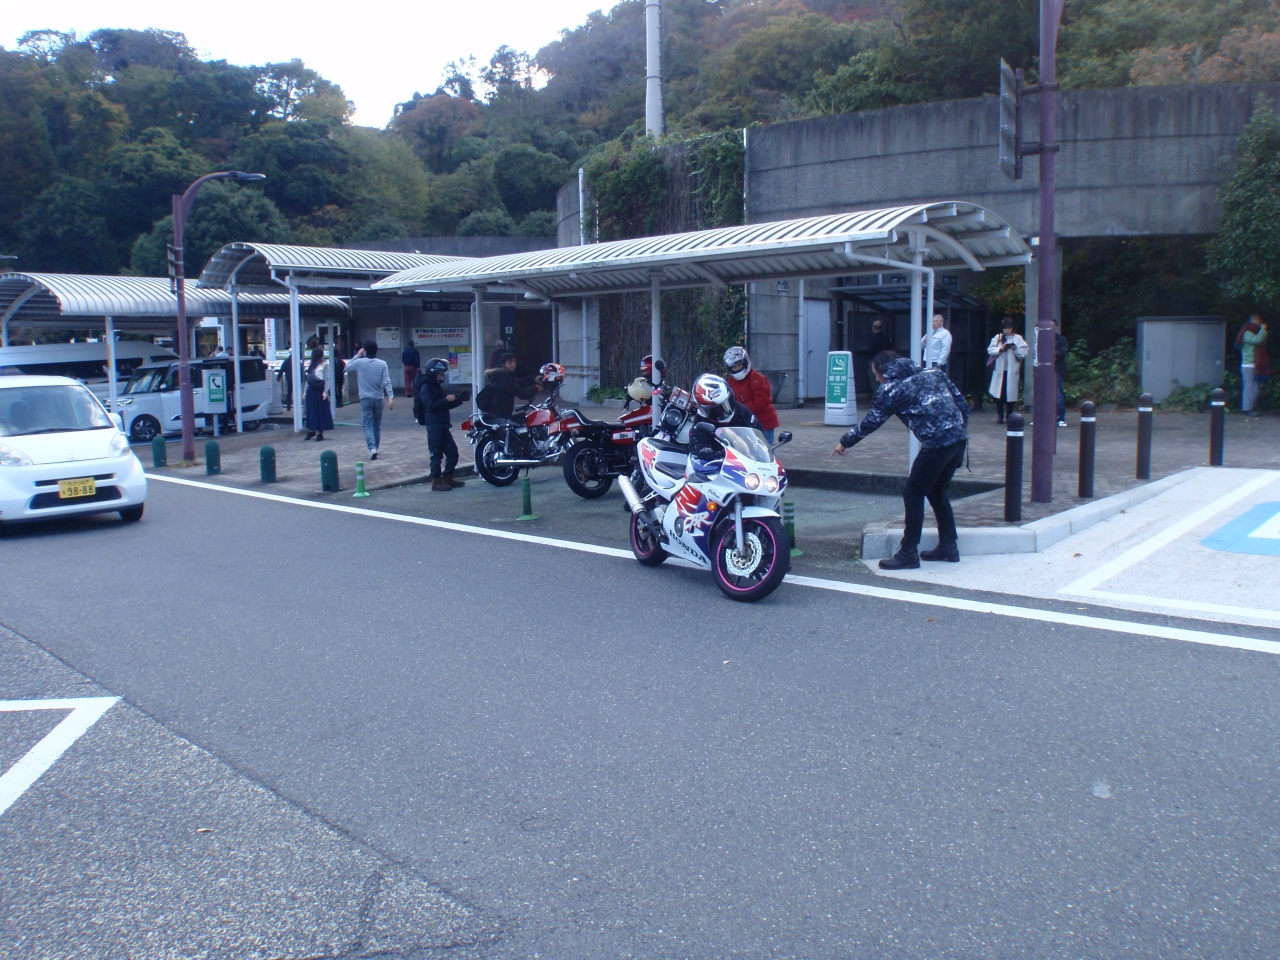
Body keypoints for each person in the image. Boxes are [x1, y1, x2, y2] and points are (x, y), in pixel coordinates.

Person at [830, 351, 970, 570]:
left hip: (936, 444)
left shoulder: (892, 389)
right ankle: (948, 546)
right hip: (958, 441)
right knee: (936, 490)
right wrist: (960, 432)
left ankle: (908, 552)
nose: (877, 379)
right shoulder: (933, 373)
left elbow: (872, 421)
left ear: (882, 371)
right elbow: (962, 404)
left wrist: (844, 442)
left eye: (876, 374)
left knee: (913, 492)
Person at [416, 358, 466, 491]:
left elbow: (443, 405)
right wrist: (446, 400)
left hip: (443, 424)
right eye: (440, 374)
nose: (442, 377)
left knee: (453, 452)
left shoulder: (435, 385)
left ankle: (448, 477)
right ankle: (436, 480)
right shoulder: (426, 387)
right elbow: (431, 405)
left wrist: (459, 399)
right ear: (433, 373)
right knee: (436, 454)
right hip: (434, 425)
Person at [344, 340, 395, 459]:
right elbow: (387, 381)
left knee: (367, 425)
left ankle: (372, 448)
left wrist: (357, 355)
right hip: (379, 398)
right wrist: (390, 397)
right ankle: (375, 447)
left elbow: (346, 367)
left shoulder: (359, 362)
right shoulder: (382, 364)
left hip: (365, 398)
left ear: (365, 350)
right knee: (376, 425)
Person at [723, 346, 780, 444]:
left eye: (739, 365)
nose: (737, 368)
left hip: (763, 422)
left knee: (766, 449)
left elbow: (761, 401)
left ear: (745, 362)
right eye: (734, 367)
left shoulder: (757, 379)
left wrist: (740, 409)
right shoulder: (730, 383)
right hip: (743, 425)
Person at [987, 318, 1028, 424]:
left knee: (1010, 396)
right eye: (1005, 328)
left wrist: (1015, 349)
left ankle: (1009, 415)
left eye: (1009, 328)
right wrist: (1001, 349)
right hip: (1000, 370)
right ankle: (1000, 416)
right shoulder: (998, 337)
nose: (1007, 330)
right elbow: (990, 350)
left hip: (1011, 370)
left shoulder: (1018, 338)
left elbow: (1023, 353)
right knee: (999, 395)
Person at [481, 353, 541, 417]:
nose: (513, 364)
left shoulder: (498, 375)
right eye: (510, 362)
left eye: (514, 362)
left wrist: (533, 379)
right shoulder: (504, 378)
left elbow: (517, 382)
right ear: (503, 364)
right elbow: (522, 394)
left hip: (494, 413)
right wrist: (536, 389)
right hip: (500, 415)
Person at [1237, 314, 1270, 416]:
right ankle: (1246, 408)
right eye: (1257, 320)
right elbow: (1257, 340)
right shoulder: (1246, 332)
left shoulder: (1257, 332)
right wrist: (1263, 330)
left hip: (1255, 364)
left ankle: (1250, 407)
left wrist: (1262, 332)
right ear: (1253, 320)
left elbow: (1263, 340)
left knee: (1255, 387)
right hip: (1249, 364)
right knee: (1249, 387)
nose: (1259, 323)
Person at [303, 346, 332, 441]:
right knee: (311, 411)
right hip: (311, 390)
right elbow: (308, 379)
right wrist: (305, 391)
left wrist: (325, 391)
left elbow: (327, 379)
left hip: (319, 389)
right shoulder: (311, 365)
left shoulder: (324, 364)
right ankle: (311, 430)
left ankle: (320, 432)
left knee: (320, 411)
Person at [1054, 322, 1070, 427]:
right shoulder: (1040, 338)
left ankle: (1060, 417)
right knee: (1041, 394)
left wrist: (1053, 354)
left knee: (1058, 394)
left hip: (1057, 369)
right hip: (1043, 370)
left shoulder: (1061, 339)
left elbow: (1062, 353)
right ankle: (1042, 417)